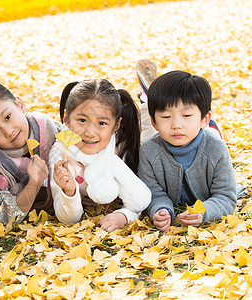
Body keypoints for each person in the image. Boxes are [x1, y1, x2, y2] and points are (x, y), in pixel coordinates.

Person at [137, 70, 237, 232]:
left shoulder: (216, 149)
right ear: (155, 122)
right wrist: (160, 209)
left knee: (212, 138)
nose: (177, 124)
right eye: (166, 116)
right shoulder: (149, 152)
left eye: (187, 115)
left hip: (207, 139)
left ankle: (209, 126)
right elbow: (153, 193)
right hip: (156, 138)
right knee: (144, 132)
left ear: (204, 118)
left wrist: (204, 211)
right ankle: (145, 101)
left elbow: (226, 196)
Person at [50, 79, 152, 232]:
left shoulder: (117, 147)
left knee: (149, 132)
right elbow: (67, 218)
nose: (90, 132)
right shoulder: (60, 155)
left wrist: (124, 215)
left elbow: (137, 195)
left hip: (139, 136)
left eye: (102, 123)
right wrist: (68, 192)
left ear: (116, 126)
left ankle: (147, 101)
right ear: (66, 119)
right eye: (82, 120)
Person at [0, 82, 61, 225]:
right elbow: (5, 217)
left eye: (7, 117)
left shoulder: (49, 129)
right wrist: (33, 183)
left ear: (20, 104)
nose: (8, 131)